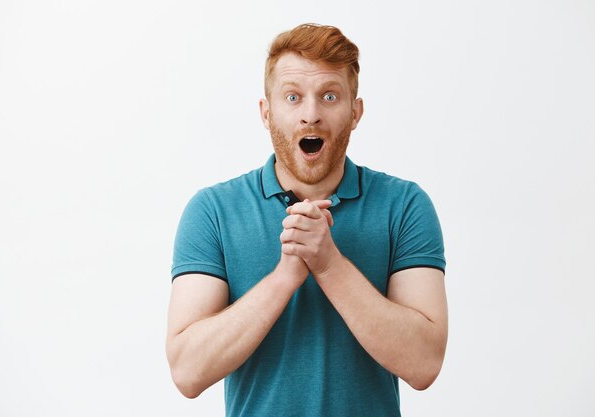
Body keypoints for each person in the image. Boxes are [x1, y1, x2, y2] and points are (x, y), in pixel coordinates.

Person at [166, 23, 448, 417]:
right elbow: (187, 371)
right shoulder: (213, 211)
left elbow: (424, 364)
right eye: (293, 97)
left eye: (329, 96)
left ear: (355, 112)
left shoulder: (404, 206)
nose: (311, 115)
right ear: (267, 113)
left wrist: (329, 264)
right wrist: (285, 277)